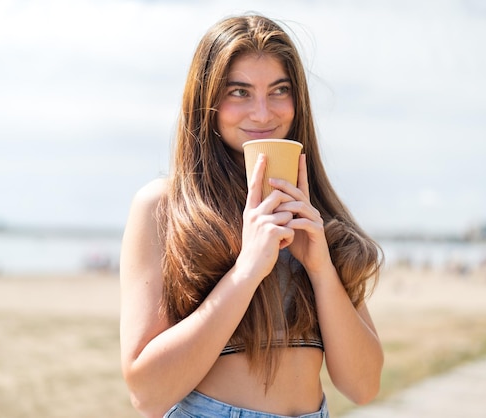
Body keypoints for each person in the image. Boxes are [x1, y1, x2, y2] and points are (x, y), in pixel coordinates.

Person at [120, 14, 384, 418]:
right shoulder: (165, 207)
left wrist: (320, 267)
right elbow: (147, 393)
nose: (262, 114)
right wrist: (247, 271)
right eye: (239, 92)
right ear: (206, 102)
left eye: (278, 90)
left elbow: (363, 386)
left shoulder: (314, 209)